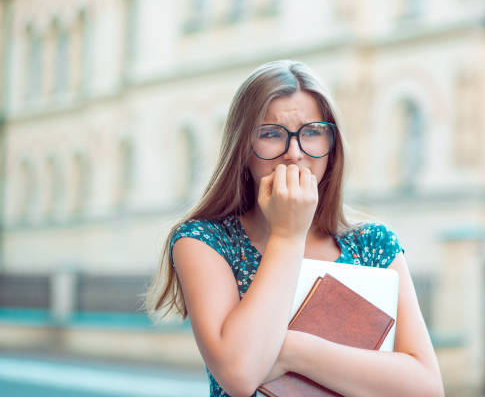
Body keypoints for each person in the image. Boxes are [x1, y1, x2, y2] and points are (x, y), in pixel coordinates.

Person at [146, 60, 444, 397]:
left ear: (333, 147)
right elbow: (240, 374)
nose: (294, 153)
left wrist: (291, 350)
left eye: (312, 132)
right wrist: (287, 235)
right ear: (243, 149)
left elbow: (426, 388)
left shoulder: (373, 242)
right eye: (271, 134)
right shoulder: (205, 241)